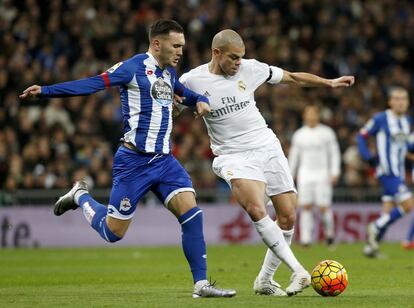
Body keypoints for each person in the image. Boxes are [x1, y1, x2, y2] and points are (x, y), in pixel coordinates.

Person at [19, 19, 236, 299]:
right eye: (176, 45)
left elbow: (184, 93)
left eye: (182, 45)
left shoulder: (168, 73)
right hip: (133, 162)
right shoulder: (132, 68)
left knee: (192, 215)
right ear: (157, 43)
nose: (181, 51)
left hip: (164, 161)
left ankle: (201, 284)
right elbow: (94, 83)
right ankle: (80, 196)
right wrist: (46, 91)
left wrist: (199, 100)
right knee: (113, 234)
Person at [178, 29, 354, 296]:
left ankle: (264, 280)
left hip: (266, 145)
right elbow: (170, 106)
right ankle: (298, 270)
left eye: (241, 58)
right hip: (232, 154)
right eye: (233, 58)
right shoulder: (192, 80)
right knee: (256, 208)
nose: (238, 63)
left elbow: (293, 78)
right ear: (216, 53)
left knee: (288, 215)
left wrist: (328, 83)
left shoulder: (251, 69)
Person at [357, 86, 414, 257]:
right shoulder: (380, 118)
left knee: (388, 210)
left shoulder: (407, 121)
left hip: (399, 173)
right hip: (387, 171)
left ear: (408, 102)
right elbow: (362, 135)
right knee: (408, 205)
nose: (400, 102)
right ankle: (376, 226)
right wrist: (367, 157)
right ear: (390, 102)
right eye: (396, 98)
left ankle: (371, 248)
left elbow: (407, 146)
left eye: (403, 99)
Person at [289, 104, 341, 247]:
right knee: (305, 206)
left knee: (324, 207)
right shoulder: (299, 134)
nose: (311, 116)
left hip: (322, 174)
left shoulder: (327, 133)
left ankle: (329, 235)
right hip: (305, 174)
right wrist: (290, 174)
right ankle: (306, 239)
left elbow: (334, 154)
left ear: (318, 115)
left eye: (313, 113)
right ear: (304, 116)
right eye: (308, 113)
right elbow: (294, 156)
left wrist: (335, 172)